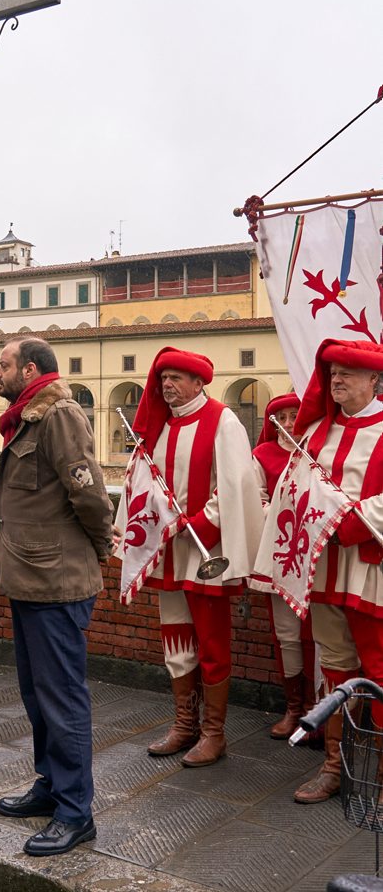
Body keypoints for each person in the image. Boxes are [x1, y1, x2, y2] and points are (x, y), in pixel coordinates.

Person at [0, 337, 113, 858]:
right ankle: (50, 783)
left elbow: (88, 491)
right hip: (30, 578)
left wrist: (101, 546)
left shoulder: (58, 414)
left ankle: (75, 812)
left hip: (56, 581)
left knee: (62, 700)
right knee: (37, 696)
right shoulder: (27, 417)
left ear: (29, 370)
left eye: (3, 364)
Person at [116, 347, 264, 767]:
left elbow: (235, 485)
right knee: (176, 640)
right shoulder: (157, 426)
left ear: (199, 383)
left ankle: (214, 733)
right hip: (168, 552)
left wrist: (197, 524)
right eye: (163, 378)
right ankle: (185, 724)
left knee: (212, 643)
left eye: (177, 378)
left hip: (207, 551)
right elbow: (141, 483)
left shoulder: (223, 420)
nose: (167, 385)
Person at [256, 339, 383, 803]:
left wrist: (345, 523)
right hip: (324, 564)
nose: (337, 380)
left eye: (348, 372)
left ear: (374, 379)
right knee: (333, 662)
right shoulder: (315, 434)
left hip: (370, 565)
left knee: (379, 665)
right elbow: (293, 489)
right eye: (332, 373)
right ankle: (334, 766)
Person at [250, 394, 320, 741]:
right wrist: (279, 513)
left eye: (296, 415)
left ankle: (315, 708)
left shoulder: (318, 450)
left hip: (315, 556)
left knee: (317, 636)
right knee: (287, 636)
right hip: (278, 555)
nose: (290, 423)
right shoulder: (262, 454)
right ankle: (293, 708)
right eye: (283, 417)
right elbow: (255, 499)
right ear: (273, 423)